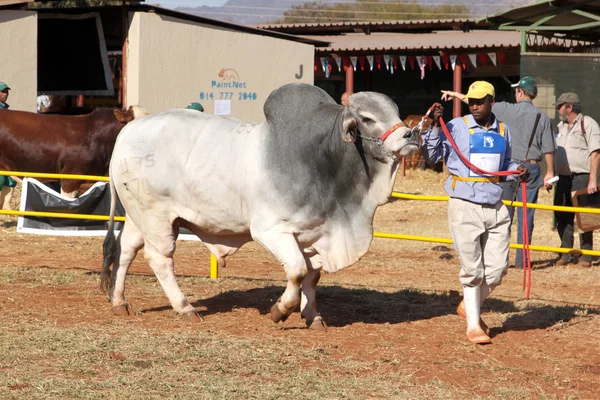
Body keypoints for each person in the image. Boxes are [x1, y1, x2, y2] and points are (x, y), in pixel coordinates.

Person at [422, 81, 527, 344]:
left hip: (495, 203)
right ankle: (473, 326)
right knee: (472, 269)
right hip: (464, 203)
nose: (475, 105)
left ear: (492, 101)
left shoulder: (503, 130)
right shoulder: (456, 126)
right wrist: (435, 126)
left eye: (480, 101)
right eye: (471, 101)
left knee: (497, 269)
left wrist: (519, 171)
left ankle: (469, 306)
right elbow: (432, 156)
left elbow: (506, 163)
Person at [441, 77, 556, 270]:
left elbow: (474, 101)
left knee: (503, 216)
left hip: (503, 168)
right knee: (526, 215)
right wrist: (549, 172)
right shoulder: (541, 116)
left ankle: (498, 258)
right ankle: (523, 261)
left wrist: (454, 94)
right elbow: (549, 149)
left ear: (519, 93)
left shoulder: (504, 109)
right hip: (530, 169)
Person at [553, 92, 600, 268]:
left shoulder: (588, 123)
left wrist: (592, 180)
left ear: (569, 107)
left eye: (560, 106)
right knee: (562, 215)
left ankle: (586, 255)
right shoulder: (559, 127)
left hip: (582, 177)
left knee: (585, 218)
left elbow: (595, 153)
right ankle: (566, 252)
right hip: (562, 179)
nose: (558, 109)